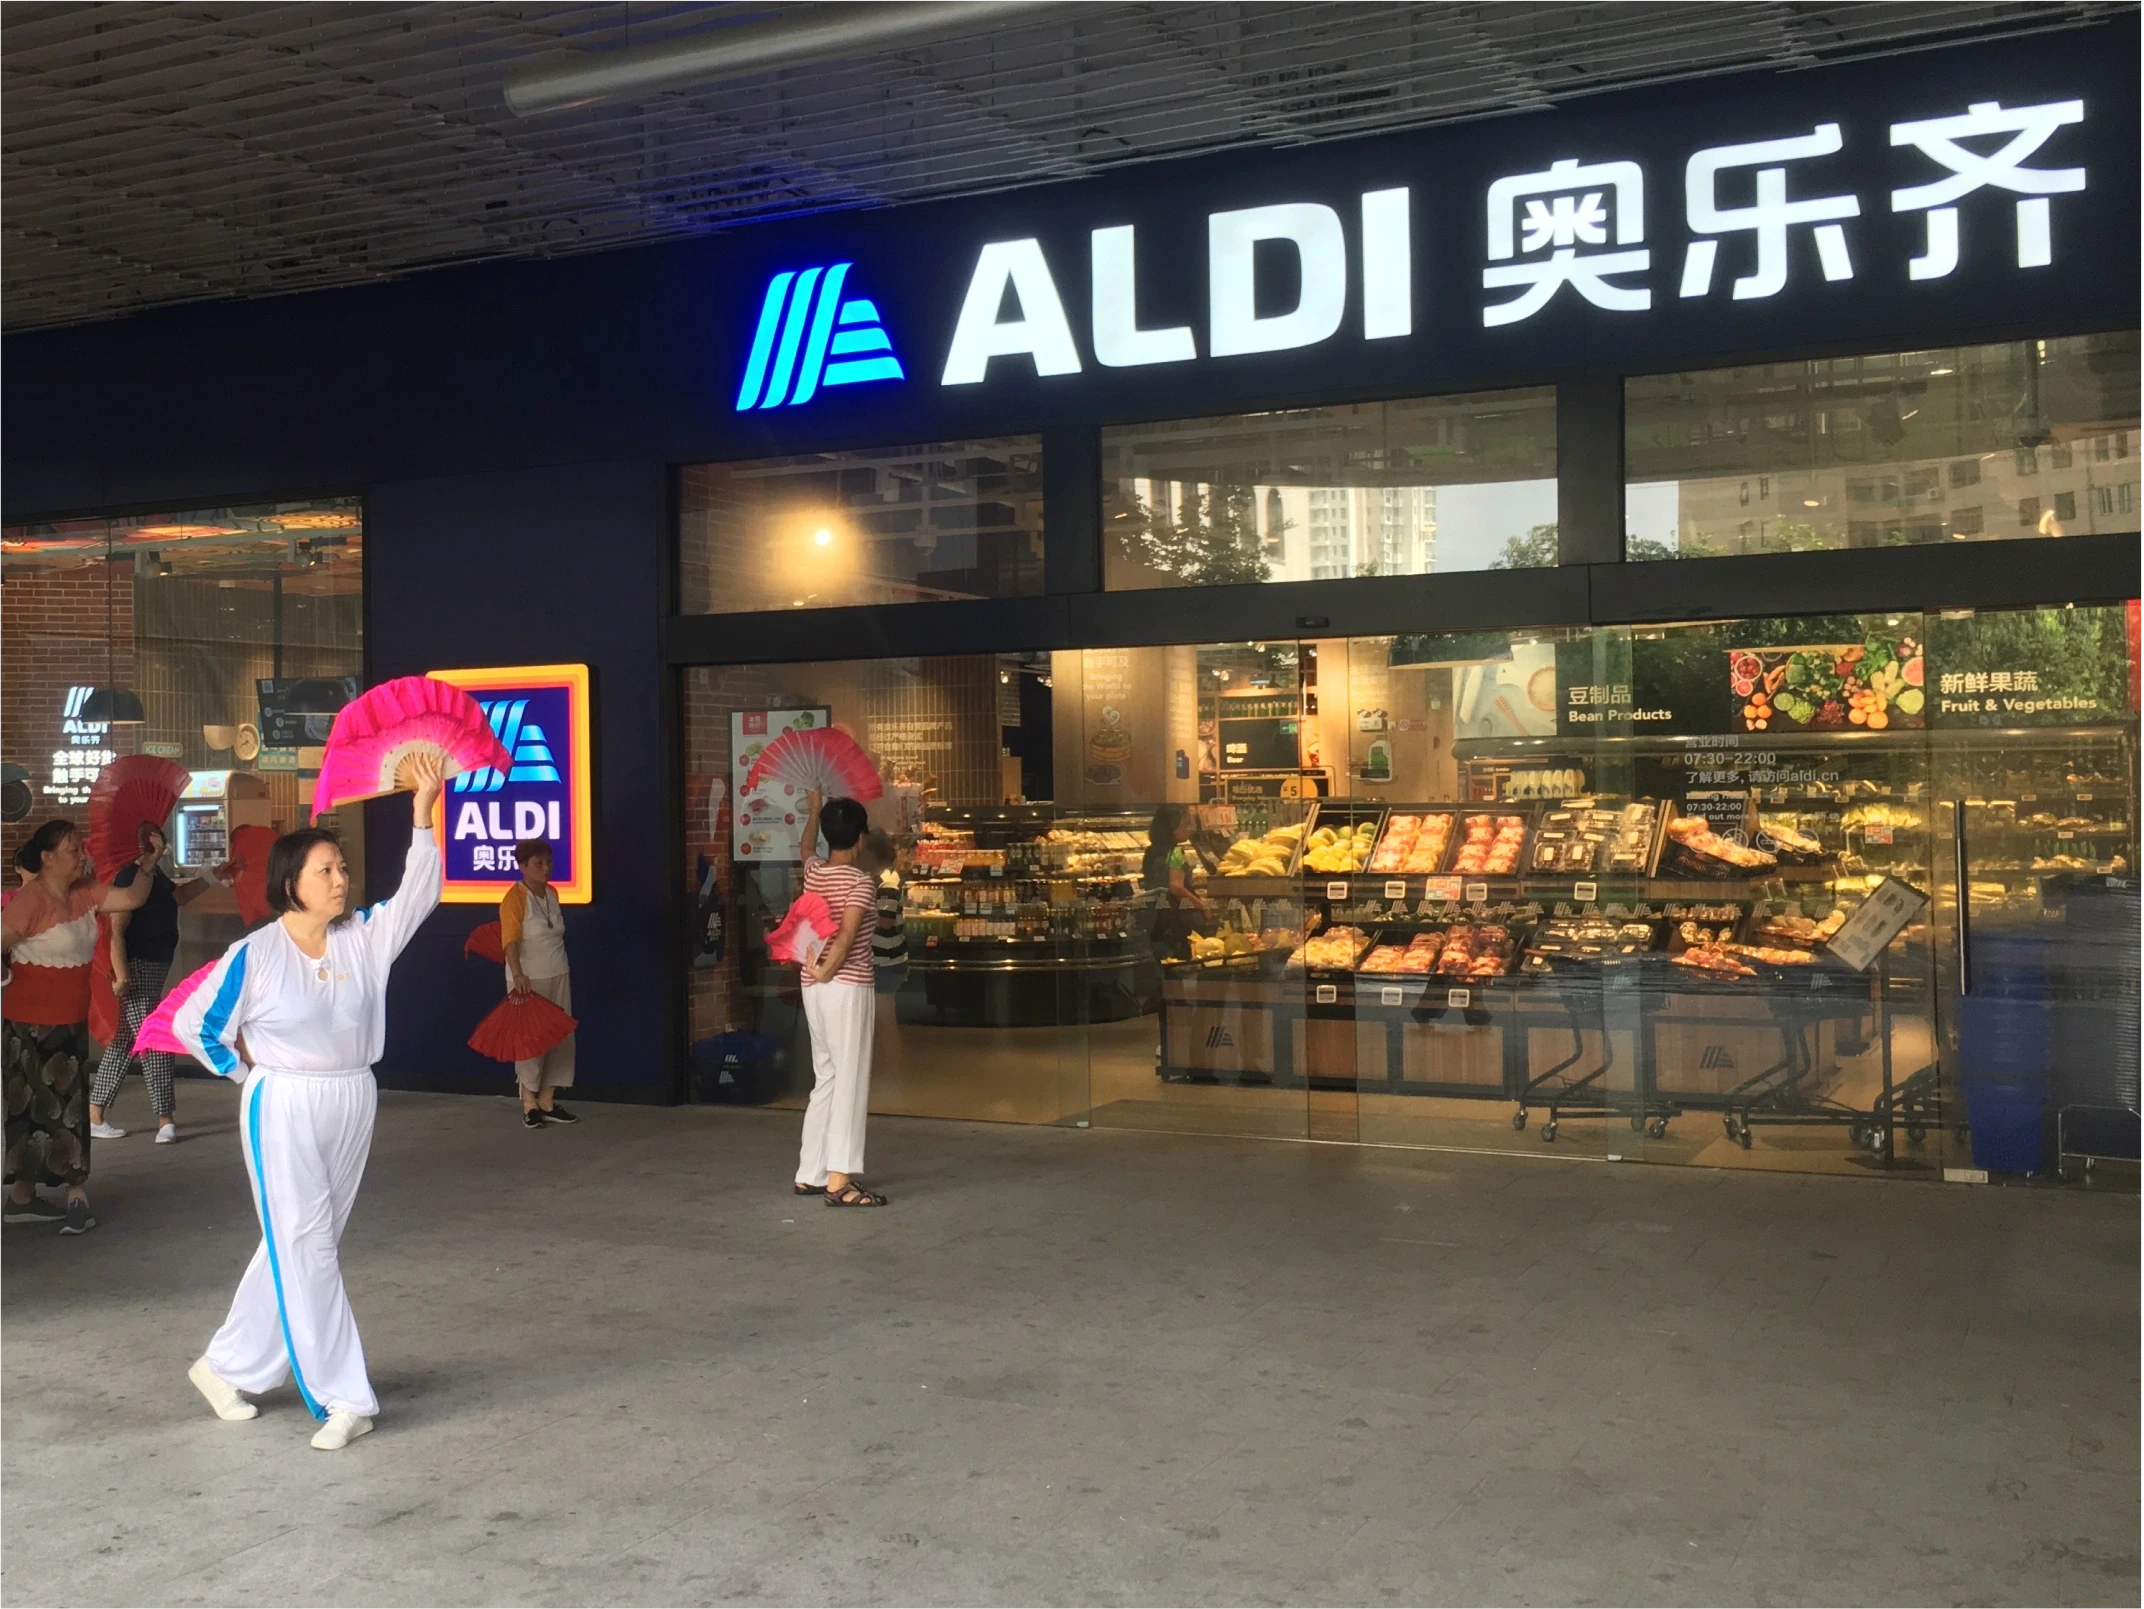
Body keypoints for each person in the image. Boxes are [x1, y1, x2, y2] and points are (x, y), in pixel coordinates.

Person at [172, 754, 444, 1451]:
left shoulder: (365, 937)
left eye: (343, 867)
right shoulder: (255, 954)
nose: (341, 878)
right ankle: (343, 1395)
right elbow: (193, 1024)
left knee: (300, 1242)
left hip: (353, 1094)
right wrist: (241, 1072)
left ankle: (224, 1364)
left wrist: (423, 813)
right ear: (289, 884)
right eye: (325, 869)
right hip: (282, 1103)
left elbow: (418, 893)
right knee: (307, 1243)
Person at [0, 819, 156, 1235]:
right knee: (33, 1111)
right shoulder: (30, 901)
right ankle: (67, 1194)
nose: (81, 855)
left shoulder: (86, 892)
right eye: (72, 849)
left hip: (67, 1023)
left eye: (80, 847)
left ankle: (31, 1197)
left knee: (63, 1108)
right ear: (47, 858)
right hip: (28, 1026)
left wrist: (148, 862)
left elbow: (133, 898)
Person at [89, 823, 215, 1144]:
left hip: (153, 965)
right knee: (156, 1037)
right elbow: (116, 929)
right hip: (139, 966)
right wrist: (122, 974)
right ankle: (165, 1119)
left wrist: (213, 877)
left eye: (158, 837)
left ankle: (94, 1113)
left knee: (126, 1041)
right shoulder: (130, 876)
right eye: (149, 837)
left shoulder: (153, 875)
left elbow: (178, 896)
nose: (158, 842)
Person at [791, 790, 886, 1207]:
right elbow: (847, 935)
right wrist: (829, 969)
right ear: (861, 838)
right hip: (847, 986)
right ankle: (839, 1180)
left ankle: (809, 1172)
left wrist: (812, 812)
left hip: (812, 987)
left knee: (826, 1076)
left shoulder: (814, 873)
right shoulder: (861, 883)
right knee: (850, 1078)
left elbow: (805, 847)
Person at [500, 837, 577, 1130]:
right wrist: (518, 974)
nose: (546, 868)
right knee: (531, 1039)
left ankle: (547, 1099)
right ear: (522, 867)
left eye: (548, 862)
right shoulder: (514, 898)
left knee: (560, 1037)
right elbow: (509, 941)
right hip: (528, 981)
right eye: (538, 864)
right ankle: (528, 1102)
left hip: (558, 972)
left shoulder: (553, 893)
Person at [1140, 804, 1208, 961]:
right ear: (1171, 828)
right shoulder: (1176, 852)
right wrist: (1201, 906)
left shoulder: (1150, 852)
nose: (1188, 828)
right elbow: (1176, 887)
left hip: (1155, 915)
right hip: (1177, 918)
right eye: (1184, 824)